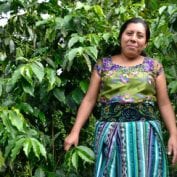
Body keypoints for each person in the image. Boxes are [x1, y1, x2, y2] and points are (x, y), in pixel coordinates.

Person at [64, 17, 177, 176]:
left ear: (145, 43)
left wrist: (174, 134)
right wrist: (75, 131)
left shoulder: (155, 67)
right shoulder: (103, 65)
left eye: (139, 35)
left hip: (146, 136)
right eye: (129, 33)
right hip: (110, 133)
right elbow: (89, 100)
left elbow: (164, 104)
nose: (133, 38)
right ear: (121, 37)